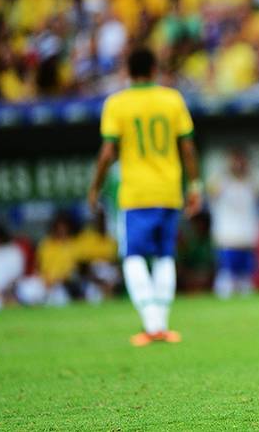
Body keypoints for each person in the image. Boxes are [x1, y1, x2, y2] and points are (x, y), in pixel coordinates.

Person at [88, 47, 202, 347]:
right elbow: (188, 148)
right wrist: (194, 186)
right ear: (155, 69)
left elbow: (108, 152)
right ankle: (161, 324)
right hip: (168, 190)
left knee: (134, 256)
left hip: (136, 193)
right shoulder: (172, 99)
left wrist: (95, 186)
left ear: (128, 71)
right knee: (165, 255)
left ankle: (151, 326)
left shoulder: (117, 104)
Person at [209, 148, 259, 298]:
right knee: (226, 271)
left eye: (242, 160)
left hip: (247, 233)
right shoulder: (220, 180)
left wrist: (247, 175)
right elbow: (211, 192)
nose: (239, 164)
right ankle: (223, 295)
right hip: (227, 234)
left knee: (246, 274)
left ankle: (246, 297)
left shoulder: (252, 181)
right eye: (235, 160)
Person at [38, 213, 79, 306]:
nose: (62, 231)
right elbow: (40, 266)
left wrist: (58, 280)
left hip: (64, 283)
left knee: (61, 301)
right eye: (59, 228)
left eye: (64, 228)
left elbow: (73, 270)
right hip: (45, 282)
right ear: (54, 229)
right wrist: (46, 280)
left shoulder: (73, 245)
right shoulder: (46, 244)